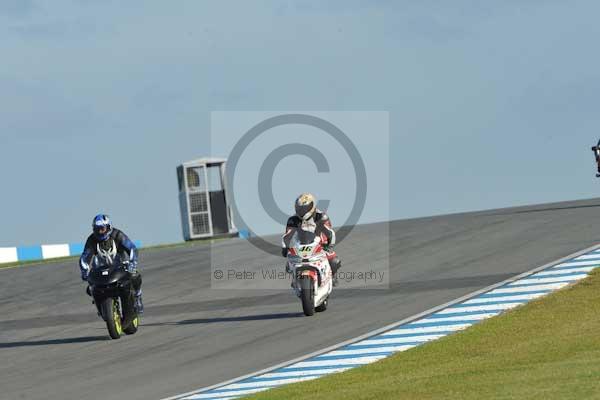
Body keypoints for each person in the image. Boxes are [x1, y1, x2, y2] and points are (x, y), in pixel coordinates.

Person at [79, 214, 143, 313]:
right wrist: (84, 271)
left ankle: (138, 297)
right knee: (90, 287)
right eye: (97, 229)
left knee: (135, 276)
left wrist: (132, 263)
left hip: (121, 265)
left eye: (102, 229)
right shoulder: (92, 239)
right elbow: (84, 257)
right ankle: (100, 308)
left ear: (109, 227)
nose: (100, 232)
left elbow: (132, 249)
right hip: (101, 268)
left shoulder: (117, 235)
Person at [281, 193, 342, 286]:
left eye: (305, 208)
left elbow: (329, 232)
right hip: (300, 246)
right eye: (300, 209)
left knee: (334, 260)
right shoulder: (293, 220)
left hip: (320, 245)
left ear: (312, 206)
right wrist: (285, 248)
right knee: (288, 265)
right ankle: (296, 279)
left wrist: (329, 245)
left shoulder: (321, 216)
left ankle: (332, 276)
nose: (302, 211)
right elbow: (288, 235)